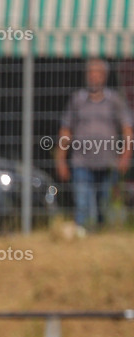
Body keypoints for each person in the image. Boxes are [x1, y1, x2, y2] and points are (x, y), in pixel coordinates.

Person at [55, 58, 134, 232]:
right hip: (81, 162)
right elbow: (66, 131)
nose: (94, 76)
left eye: (98, 73)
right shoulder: (77, 100)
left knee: (103, 205)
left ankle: (100, 236)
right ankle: (82, 237)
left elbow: (127, 130)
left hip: (107, 163)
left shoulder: (115, 101)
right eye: (91, 72)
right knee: (82, 204)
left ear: (105, 76)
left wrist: (125, 156)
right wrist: (60, 159)